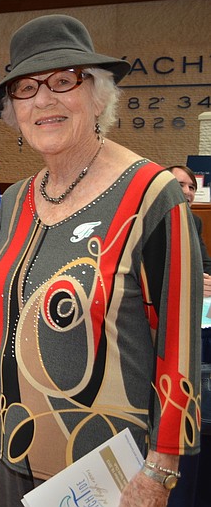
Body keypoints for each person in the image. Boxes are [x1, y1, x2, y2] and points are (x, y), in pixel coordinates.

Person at [0, 14, 201, 507]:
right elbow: (6, 317)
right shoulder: (17, 201)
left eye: (63, 81)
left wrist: (161, 469)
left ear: (97, 95)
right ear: (14, 112)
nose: (44, 100)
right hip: (6, 447)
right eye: (26, 89)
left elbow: (179, 345)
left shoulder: (151, 194)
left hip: (103, 468)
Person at [164, 164, 211, 507]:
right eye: (180, 184)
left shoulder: (194, 222)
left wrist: (205, 280)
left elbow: (204, 265)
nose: (188, 190)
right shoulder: (149, 221)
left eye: (192, 186)